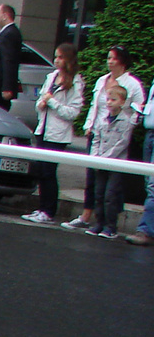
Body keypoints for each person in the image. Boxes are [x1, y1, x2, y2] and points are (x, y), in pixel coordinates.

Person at [67, 45, 145, 231]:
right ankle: (92, 217)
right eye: (108, 57)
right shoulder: (102, 80)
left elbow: (139, 108)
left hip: (118, 133)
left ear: (122, 62)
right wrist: (89, 125)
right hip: (99, 131)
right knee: (94, 180)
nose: (109, 61)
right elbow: (95, 105)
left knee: (112, 186)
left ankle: (110, 223)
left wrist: (129, 123)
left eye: (113, 58)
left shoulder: (132, 83)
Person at [23, 43, 84, 225]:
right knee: (41, 171)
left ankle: (49, 211)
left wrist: (53, 103)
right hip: (43, 129)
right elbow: (41, 100)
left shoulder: (75, 82)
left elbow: (73, 112)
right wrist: (41, 105)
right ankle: (42, 208)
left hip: (58, 134)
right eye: (55, 57)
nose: (56, 61)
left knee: (49, 172)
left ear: (68, 60)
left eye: (60, 57)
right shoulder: (51, 77)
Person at [75, 83, 136, 237]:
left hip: (115, 164)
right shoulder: (102, 120)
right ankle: (99, 223)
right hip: (100, 163)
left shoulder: (126, 121)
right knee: (99, 193)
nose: (109, 102)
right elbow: (96, 139)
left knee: (110, 196)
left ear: (122, 102)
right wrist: (95, 157)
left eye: (113, 99)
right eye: (108, 99)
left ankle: (111, 227)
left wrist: (106, 157)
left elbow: (122, 143)